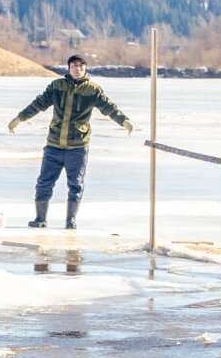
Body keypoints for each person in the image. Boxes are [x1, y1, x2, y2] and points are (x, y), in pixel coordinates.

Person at [8, 54, 133, 229]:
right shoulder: (57, 86)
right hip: (54, 146)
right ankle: (40, 219)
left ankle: (70, 220)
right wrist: (20, 118)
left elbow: (109, 107)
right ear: (69, 68)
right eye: (74, 65)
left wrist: (123, 121)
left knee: (76, 185)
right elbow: (38, 104)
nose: (78, 69)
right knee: (44, 183)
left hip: (78, 148)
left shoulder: (93, 90)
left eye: (81, 66)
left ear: (85, 69)